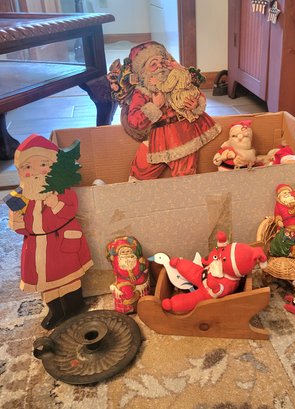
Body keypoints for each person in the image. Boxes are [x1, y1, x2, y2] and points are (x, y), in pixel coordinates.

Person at [8, 134, 93, 330]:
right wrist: (17, 217)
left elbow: (70, 211)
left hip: (61, 241)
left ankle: (74, 307)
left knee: (70, 279)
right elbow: (21, 228)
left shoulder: (62, 190)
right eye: (28, 167)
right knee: (46, 283)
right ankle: (56, 311)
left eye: (43, 164)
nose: (35, 171)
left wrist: (56, 205)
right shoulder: (21, 198)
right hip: (37, 246)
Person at [107, 41, 222, 180]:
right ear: (143, 71)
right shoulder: (142, 92)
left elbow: (194, 92)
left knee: (184, 173)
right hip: (157, 137)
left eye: (162, 62)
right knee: (140, 171)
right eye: (153, 64)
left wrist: (195, 104)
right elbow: (134, 120)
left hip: (183, 133)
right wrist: (154, 106)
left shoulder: (176, 79)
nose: (160, 67)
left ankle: (184, 192)